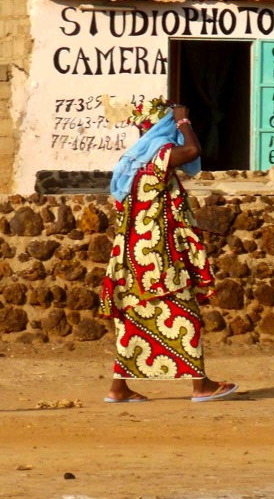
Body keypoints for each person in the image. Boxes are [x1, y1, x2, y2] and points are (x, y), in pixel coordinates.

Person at [100, 98, 238, 404]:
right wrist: (182, 121)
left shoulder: (135, 161)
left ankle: (119, 389)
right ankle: (201, 386)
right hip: (158, 257)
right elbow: (192, 151)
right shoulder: (159, 154)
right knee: (184, 314)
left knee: (133, 318)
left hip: (133, 255)